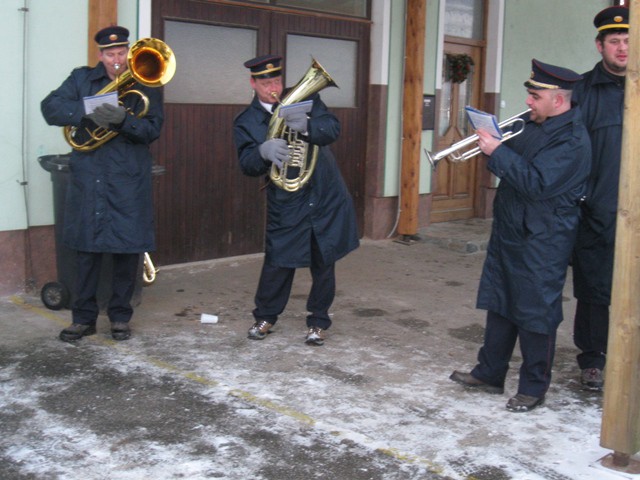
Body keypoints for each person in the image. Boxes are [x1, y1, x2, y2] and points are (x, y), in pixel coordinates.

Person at [450, 59, 591, 412]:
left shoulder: (572, 140)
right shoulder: (533, 123)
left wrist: (497, 151)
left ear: (558, 100)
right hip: (513, 229)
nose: (527, 102)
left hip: (543, 237)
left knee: (535, 312)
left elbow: (537, 183)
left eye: (534, 96)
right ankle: (489, 373)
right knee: (501, 303)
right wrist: (494, 143)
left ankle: (533, 387)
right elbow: (515, 164)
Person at [41, 26, 164, 342]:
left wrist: (123, 121)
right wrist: (87, 109)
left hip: (127, 179)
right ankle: (83, 319)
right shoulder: (81, 79)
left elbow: (152, 130)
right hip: (91, 178)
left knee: (127, 253)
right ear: (100, 55)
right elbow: (50, 108)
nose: (117, 60)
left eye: (122, 52)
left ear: (129, 52)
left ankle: (120, 318)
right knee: (87, 253)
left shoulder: (147, 81)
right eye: (110, 54)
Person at [233, 54, 359, 346]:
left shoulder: (306, 100)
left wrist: (307, 127)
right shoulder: (247, 120)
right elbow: (246, 164)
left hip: (323, 194)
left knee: (324, 261)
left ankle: (318, 322)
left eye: (276, 80)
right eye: (265, 82)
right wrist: (262, 152)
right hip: (287, 199)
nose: (273, 87)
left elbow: (332, 129)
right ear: (253, 83)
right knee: (279, 261)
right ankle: (265, 317)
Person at [571, 6, 628, 392]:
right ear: (599, 46)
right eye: (614, 41)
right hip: (598, 212)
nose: (622, 48)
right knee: (594, 291)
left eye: (628, 40)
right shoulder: (583, 92)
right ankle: (592, 360)